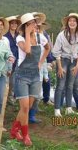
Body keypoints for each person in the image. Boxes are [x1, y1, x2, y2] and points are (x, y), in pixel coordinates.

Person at [10, 13, 49, 146]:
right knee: (25, 108)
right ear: (25, 26)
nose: (33, 25)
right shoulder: (20, 38)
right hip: (22, 75)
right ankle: (26, 135)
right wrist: (27, 33)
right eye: (30, 23)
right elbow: (27, 50)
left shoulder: (40, 37)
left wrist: (41, 62)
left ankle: (15, 129)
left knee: (29, 106)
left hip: (35, 75)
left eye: (34, 23)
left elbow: (48, 48)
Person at [52, 13, 78, 116]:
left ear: (77, 23)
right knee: (61, 85)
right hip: (63, 60)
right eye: (70, 21)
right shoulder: (62, 35)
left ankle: (68, 108)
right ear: (67, 22)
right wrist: (60, 67)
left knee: (70, 85)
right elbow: (56, 51)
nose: (72, 22)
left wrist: (77, 66)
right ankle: (57, 109)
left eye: (74, 21)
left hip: (74, 61)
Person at [4, 15, 21, 104]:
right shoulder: (6, 36)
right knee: (8, 80)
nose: (14, 25)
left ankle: (13, 96)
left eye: (15, 23)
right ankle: (6, 97)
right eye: (12, 23)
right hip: (9, 60)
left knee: (15, 81)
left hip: (18, 60)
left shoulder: (19, 35)